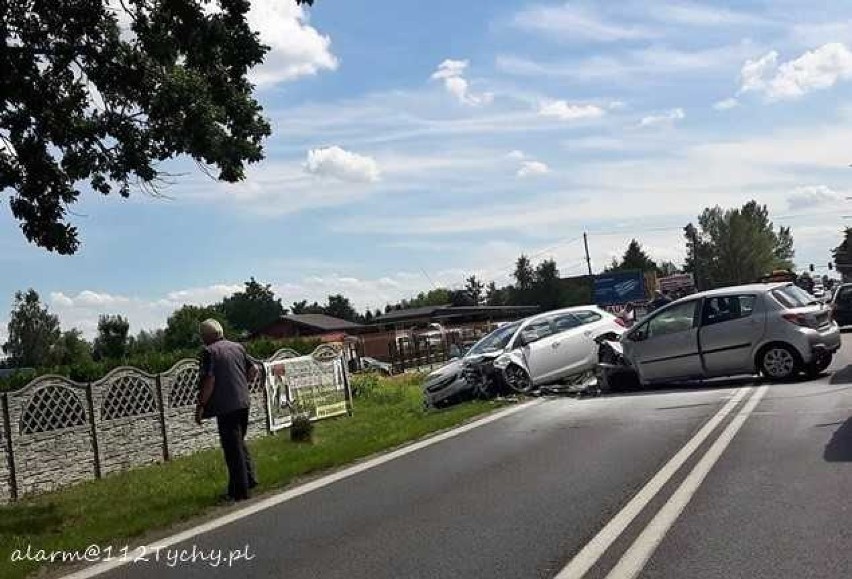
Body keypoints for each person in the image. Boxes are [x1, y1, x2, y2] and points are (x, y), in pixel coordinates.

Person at [195, 319, 258, 502]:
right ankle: (249, 480)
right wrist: (241, 384)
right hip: (243, 402)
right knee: (239, 442)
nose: (202, 341)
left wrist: (201, 406)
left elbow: (209, 381)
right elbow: (253, 370)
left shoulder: (209, 352)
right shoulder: (237, 347)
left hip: (225, 406)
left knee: (232, 449)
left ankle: (240, 492)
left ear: (208, 336)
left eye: (203, 337)